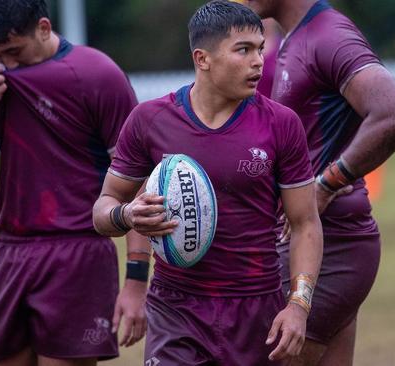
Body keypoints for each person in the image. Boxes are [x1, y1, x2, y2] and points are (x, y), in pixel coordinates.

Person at [93, 1, 324, 364]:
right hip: (175, 308)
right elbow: (102, 209)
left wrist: (298, 304)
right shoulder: (150, 121)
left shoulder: (281, 124)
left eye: (260, 49)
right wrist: (126, 214)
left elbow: (305, 223)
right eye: (243, 50)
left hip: (255, 309)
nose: (258, 61)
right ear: (203, 58)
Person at [0, 0, 139, 364]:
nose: (7, 65)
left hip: (78, 253)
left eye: (14, 52)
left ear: (45, 28)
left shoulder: (97, 74)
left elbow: (137, 185)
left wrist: (136, 280)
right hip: (10, 251)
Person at [246, 1, 395, 365]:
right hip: (325, 242)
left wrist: (325, 184)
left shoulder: (328, 36)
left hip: (333, 242)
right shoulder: (297, 37)